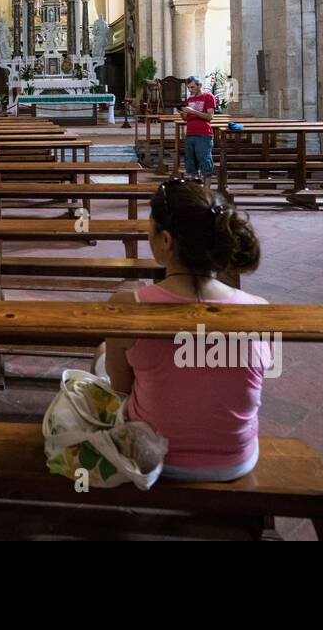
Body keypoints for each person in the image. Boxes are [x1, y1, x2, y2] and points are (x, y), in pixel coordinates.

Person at [101, 177, 267, 482]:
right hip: (235, 460)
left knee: (105, 355)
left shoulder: (130, 305)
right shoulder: (259, 309)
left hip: (152, 457)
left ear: (166, 241)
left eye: (149, 230)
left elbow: (121, 389)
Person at [180, 74, 216, 184]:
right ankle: (195, 192)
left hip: (203, 135)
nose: (190, 90)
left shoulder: (208, 97)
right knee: (190, 164)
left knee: (205, 162)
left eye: (192, 87)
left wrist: (193, 111)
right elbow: (186, 119)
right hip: (190, 134)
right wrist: (183, 113)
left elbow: (210, 117)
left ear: (199, 85)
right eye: (189, 87)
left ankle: (206, 194)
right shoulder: (189, 99)